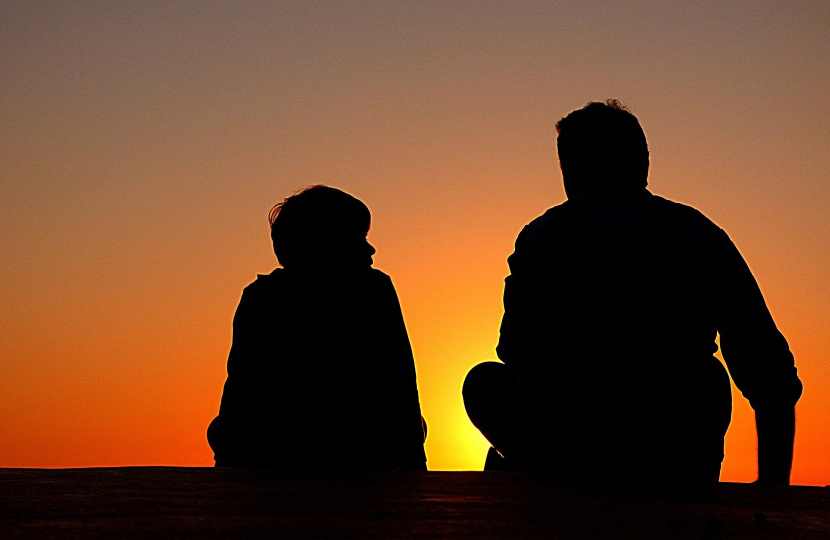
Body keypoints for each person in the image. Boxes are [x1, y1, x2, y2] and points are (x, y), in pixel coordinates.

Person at [463, 100, 802, 483]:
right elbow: (769, 370)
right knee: (709, 375)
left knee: (485, 382)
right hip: (670, 453)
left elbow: (510, 349)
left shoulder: (539, 237)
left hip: (556, 455)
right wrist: (775, 490)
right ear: (643, 163)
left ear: (569, 170)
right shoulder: (695, 233)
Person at [208, 185, 427, 470]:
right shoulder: (372, 288)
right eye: (359, 237)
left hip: (273, 448)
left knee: (220, 428)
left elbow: (240, 388)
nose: (370, 248)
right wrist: (413, 467)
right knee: (418, 426)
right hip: (358, 448)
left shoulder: (260, 295)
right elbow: (400, 386)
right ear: (329, 241)